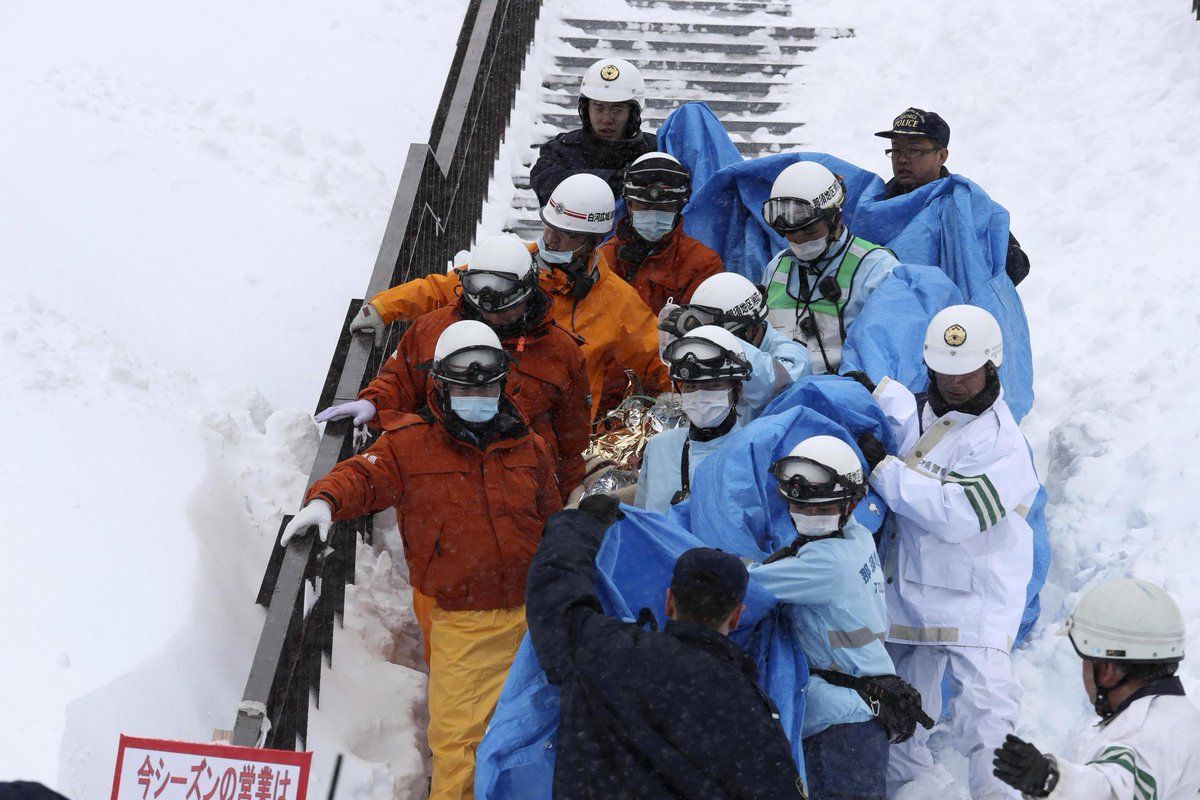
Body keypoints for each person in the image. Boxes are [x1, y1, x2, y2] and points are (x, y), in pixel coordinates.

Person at [280, 320, 562, 800]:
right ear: (442, 387)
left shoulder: (528, 447)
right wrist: (325, 500)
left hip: (534, 617)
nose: (478, 395)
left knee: (534, 735)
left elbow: (552, 521)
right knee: (460, 744)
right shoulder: (410, 445)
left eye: (487, 386)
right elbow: (362, 476)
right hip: (465, 623)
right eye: (465, 387)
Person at [856, 304, 1040, 800]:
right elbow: (897, 409)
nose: (954, 382)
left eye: (966, 372)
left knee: (987, 718)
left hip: (976, 600)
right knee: (897, 713)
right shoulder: (922, 412)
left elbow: (956, 514)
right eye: (943, 371)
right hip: (910, 594)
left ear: (991, 366)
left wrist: (884, 470)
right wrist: (863, 389)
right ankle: (912, 791)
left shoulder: (1002, 444)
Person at [524, 496, 804, 799]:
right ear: (736, 617)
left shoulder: (604, 651)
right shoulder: (749, 710)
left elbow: (554, 595)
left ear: (669, 601)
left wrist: (580, 524)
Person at [349, 173, 668, 423]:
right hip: (488, 417)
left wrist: (680, 396)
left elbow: (655, 359)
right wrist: (383, 307)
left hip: (559, 433)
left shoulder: (618, 302)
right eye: (549, 226)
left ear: (592, 241)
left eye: (566, 234)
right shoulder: (513, 265)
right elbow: (442, 288)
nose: (551, 239)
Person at [317, 233, 589, 502]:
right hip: (442, 483)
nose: (491, 314)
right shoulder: (432, 330)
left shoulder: (561, 351)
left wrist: (569, 496)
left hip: (524, 487)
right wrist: (373, 402)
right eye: (483, 304)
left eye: (504, 307)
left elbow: (571, 438)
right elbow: (400, 380)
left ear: (526, 292)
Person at [745, 436, 931, 800]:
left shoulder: (827, 564)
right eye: (799, 506)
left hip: (842, 729)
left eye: (821, 508)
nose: (808, 516)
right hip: (858, 717)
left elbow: (738, 585)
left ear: (852, 503)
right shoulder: (857, 536)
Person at [991, 578, 1200, 799]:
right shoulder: (1178, 717)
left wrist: (1048, 781)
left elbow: (1115, 791)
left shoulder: (1145, 735)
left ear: (1106, 668)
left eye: (1085, 660)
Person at [760, 161, 899, 375]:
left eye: (810, 232)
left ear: (836, 219)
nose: (799, 241)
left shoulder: (877, 268)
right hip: (781, 391)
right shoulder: (776, 266)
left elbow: (888, 351)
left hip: (844, 391)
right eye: (789, 233)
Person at [875, 107, 1030, 286]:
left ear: (941, 156)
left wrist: (969, 255)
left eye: (914, 150)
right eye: (896, 150)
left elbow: (1018, 265)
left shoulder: (965, 204)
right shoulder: (877, 205)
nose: (902, 159)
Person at [635, 325, 752, 513]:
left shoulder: (752, 453)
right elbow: (644, 522)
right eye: (690, 386)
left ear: (737, 392)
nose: (700, 395)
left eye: (713, 385)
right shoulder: (659, 449)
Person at [661, 271, 811, 411]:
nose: (708, 348)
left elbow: (773, 388)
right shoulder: (718, 357)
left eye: (724, 335)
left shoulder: (795, 357)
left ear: (751, 328)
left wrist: (716, 339)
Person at [597, 152, 723, 314]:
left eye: (664, 208)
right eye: (643, 207)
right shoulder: (604, 259)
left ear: (678, 209)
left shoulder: (703, 264)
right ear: (628, 206)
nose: (654, 216)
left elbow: (703, 323)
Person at [529, 58, 657, 205]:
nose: (606, 119)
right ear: (586, 109)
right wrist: (619, 179)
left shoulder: (654, 151)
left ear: (632, 113)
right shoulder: (560, 149)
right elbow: (546, 183)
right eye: (599, 108)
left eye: (616, 110)